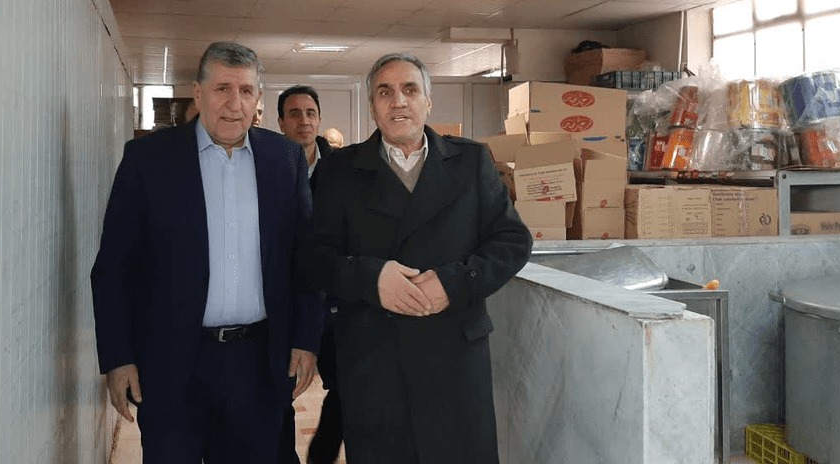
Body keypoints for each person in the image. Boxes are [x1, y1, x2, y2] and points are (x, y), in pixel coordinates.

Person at [90, 41, 323, 464]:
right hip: (171, 362)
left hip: (258, 365)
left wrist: (306, 340)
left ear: (258, 98)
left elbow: (305, 262)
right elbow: (113, 268)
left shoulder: (284, 160)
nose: (235, 104)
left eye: (246, 91)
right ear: (198, 93)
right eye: (222, 89)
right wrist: (118, 357)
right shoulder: (148, 160)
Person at [306, 53, 533, 464]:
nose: (398, 101)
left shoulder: (470, 162)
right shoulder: (339, 171)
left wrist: (455, 283)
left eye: (410, 89)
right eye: (385, 92)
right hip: (375, 362)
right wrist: (372, 279)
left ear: (428, 101)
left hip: (454, 359)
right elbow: (316, 258)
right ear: (372, 106)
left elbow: (512, 240)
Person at [274, 86, 340, 464]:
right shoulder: (268, 170)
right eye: (294, 114)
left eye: (310, 113)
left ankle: (320, 456)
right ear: (281, 122)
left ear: (319, 119)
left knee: (346, 387)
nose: (304, 121)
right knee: (280, 394)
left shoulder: (342, 171)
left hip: (334, 304)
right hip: (287, 302)